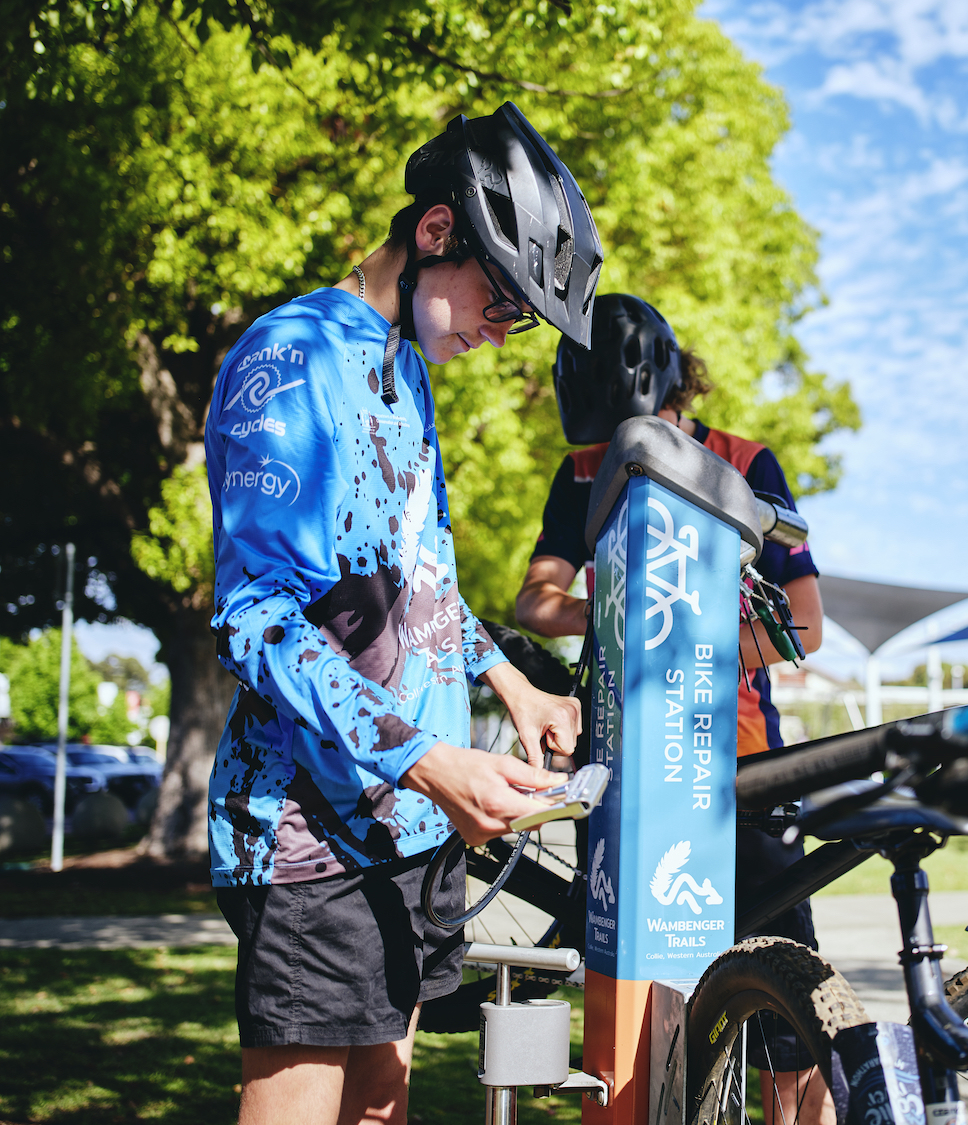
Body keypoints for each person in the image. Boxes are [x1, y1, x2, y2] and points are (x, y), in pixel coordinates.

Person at [205, 103, 601, 1125]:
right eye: (502, 301)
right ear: (436, 233)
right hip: (309, 834)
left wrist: (519, 687)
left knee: (384, 1105)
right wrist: (432, 761)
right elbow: (258, 620)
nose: (503, 331)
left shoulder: (406, 374)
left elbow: (415, 587)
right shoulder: (289, 361)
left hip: (410, 827)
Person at [514, 293, 833, 1124]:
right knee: (632, 981)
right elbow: (534, 599)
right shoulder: (583, 468)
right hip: (626, 770)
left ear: (668, 388)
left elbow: (804, 625)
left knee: (787, 995)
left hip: (738, 760)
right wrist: (615, 614)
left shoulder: (745, 459)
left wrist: (697, 642)